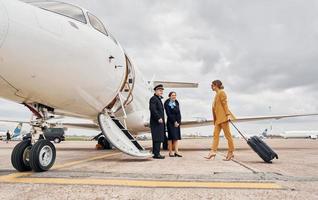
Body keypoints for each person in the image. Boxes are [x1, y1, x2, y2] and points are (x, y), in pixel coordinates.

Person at [205, 80, 236, 161]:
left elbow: (225, 104)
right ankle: (213, 152)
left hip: (224, 118)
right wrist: (215, 120)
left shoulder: (221, 92)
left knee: (228, 136)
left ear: (216, 85)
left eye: (212, 85)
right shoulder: (216, 95)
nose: (211, 86)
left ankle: (231, 152)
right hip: (218, 119)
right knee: (215, 135)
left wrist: (228, 115)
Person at [149, 84, 166, 159]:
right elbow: (153, 109)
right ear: (155, 91)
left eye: (162, 90)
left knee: (158, 137)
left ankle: (155, 153)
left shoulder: (158, 99)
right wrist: (158, 117)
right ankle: (156, 154)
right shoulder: (153, 99)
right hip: (156, 121)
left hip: (159, 122)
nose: (161, 91)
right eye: (159, 90)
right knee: (157, 138)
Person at [164, 92, 182, 157]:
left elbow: (179, 112)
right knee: (171, 137)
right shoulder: (167, 103)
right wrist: (174, 121)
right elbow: (168, 114)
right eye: (172, 95)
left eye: (175, 95)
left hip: (177, 122)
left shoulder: (176, 102)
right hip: (171, 122)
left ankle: (176, 152)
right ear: (169, 96)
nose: (174, 96)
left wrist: (178, 122)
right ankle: (171, 152)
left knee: (176, 138)